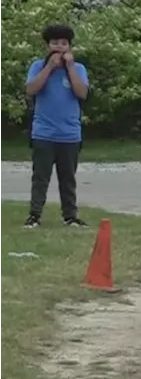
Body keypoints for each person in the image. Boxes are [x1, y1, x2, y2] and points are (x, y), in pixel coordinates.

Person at [23, 23, 89, 229]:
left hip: (69, 134)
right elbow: (31, 90)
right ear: (48, 46)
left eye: (64, 44)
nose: (59, 48)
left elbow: (82, 93)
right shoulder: (38, 66)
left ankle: (70, 216)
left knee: (68, 179)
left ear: (69, 47)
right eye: (55, 43)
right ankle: (34, 216)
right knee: (40, 178)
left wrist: (69, 68)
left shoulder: (78, 69)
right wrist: (50, 67)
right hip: (43, 133)